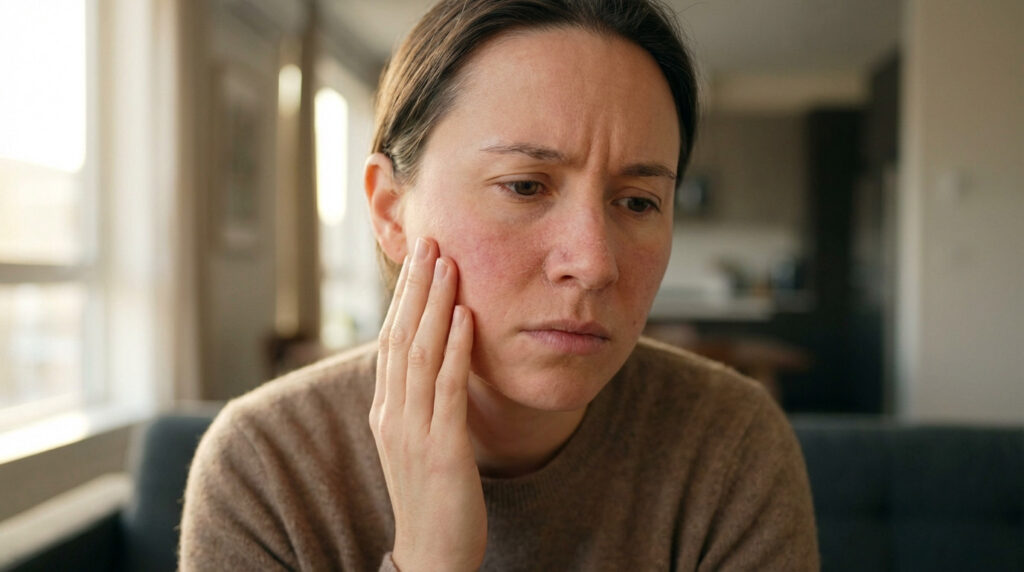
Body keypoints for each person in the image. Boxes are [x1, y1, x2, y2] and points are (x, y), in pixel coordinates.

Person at [179, 0, 819, 570]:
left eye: (638, 202)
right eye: (525, 186)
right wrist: (430, 560)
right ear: (389, 210)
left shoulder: (730, 447)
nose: (594, 264)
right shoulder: (265, 470)